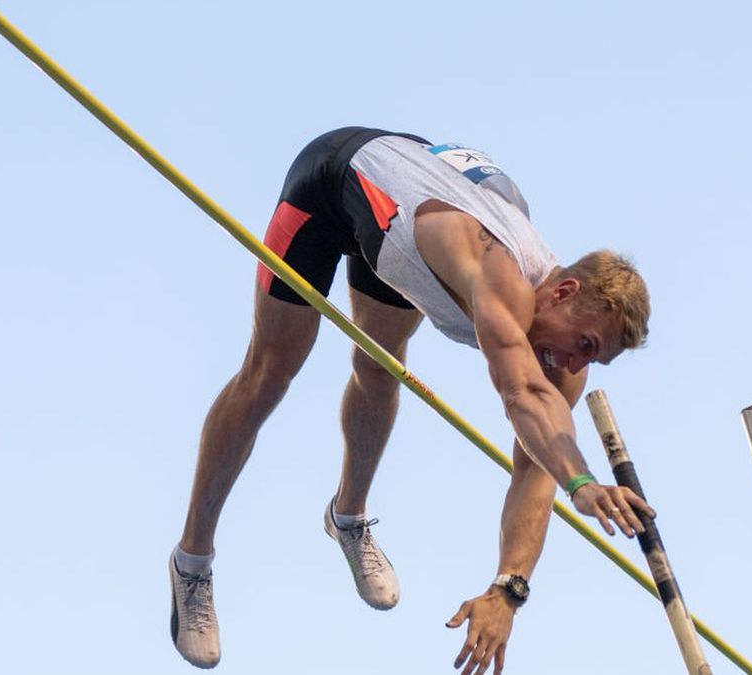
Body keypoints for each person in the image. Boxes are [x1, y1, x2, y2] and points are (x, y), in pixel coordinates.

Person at [168, 127, 653, 673]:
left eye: (593, 360)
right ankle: (192, 561)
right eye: (584, 345)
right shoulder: (500, 277)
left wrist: (508, 589)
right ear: (563, 292)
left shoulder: (560, 365)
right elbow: (520, 392)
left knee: (379, 368)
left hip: (402, 225)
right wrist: (582, 482)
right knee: (269, 373)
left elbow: (535, 471)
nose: (575, 366)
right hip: (335, 182)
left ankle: (347, 517)